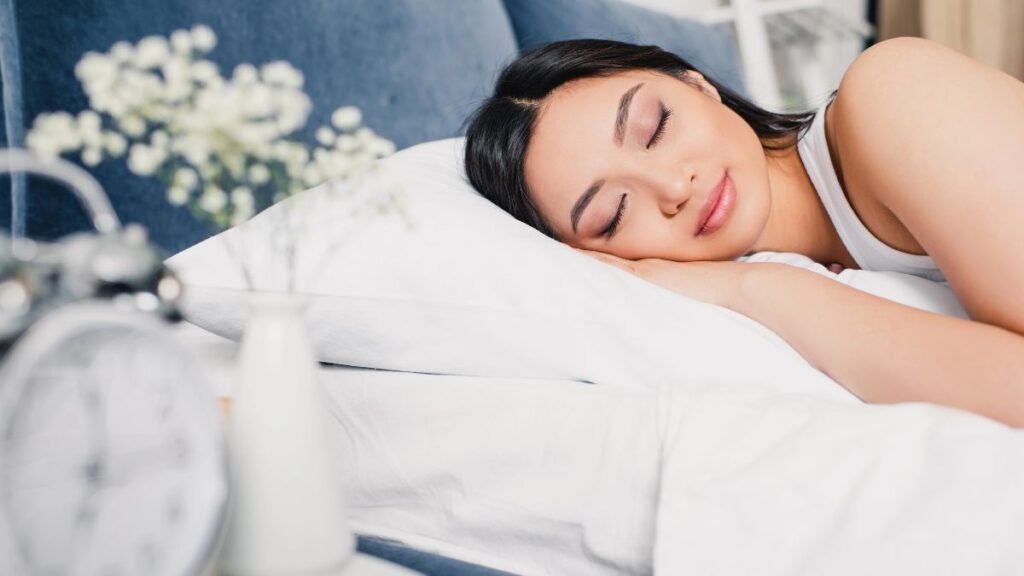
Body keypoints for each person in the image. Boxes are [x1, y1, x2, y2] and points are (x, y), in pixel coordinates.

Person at [463, 37, 1024, 428]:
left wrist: (770, 291)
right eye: (614, 213)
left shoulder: (896, 90)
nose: (673, 186)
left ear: (698, 85)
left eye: (655, 127)